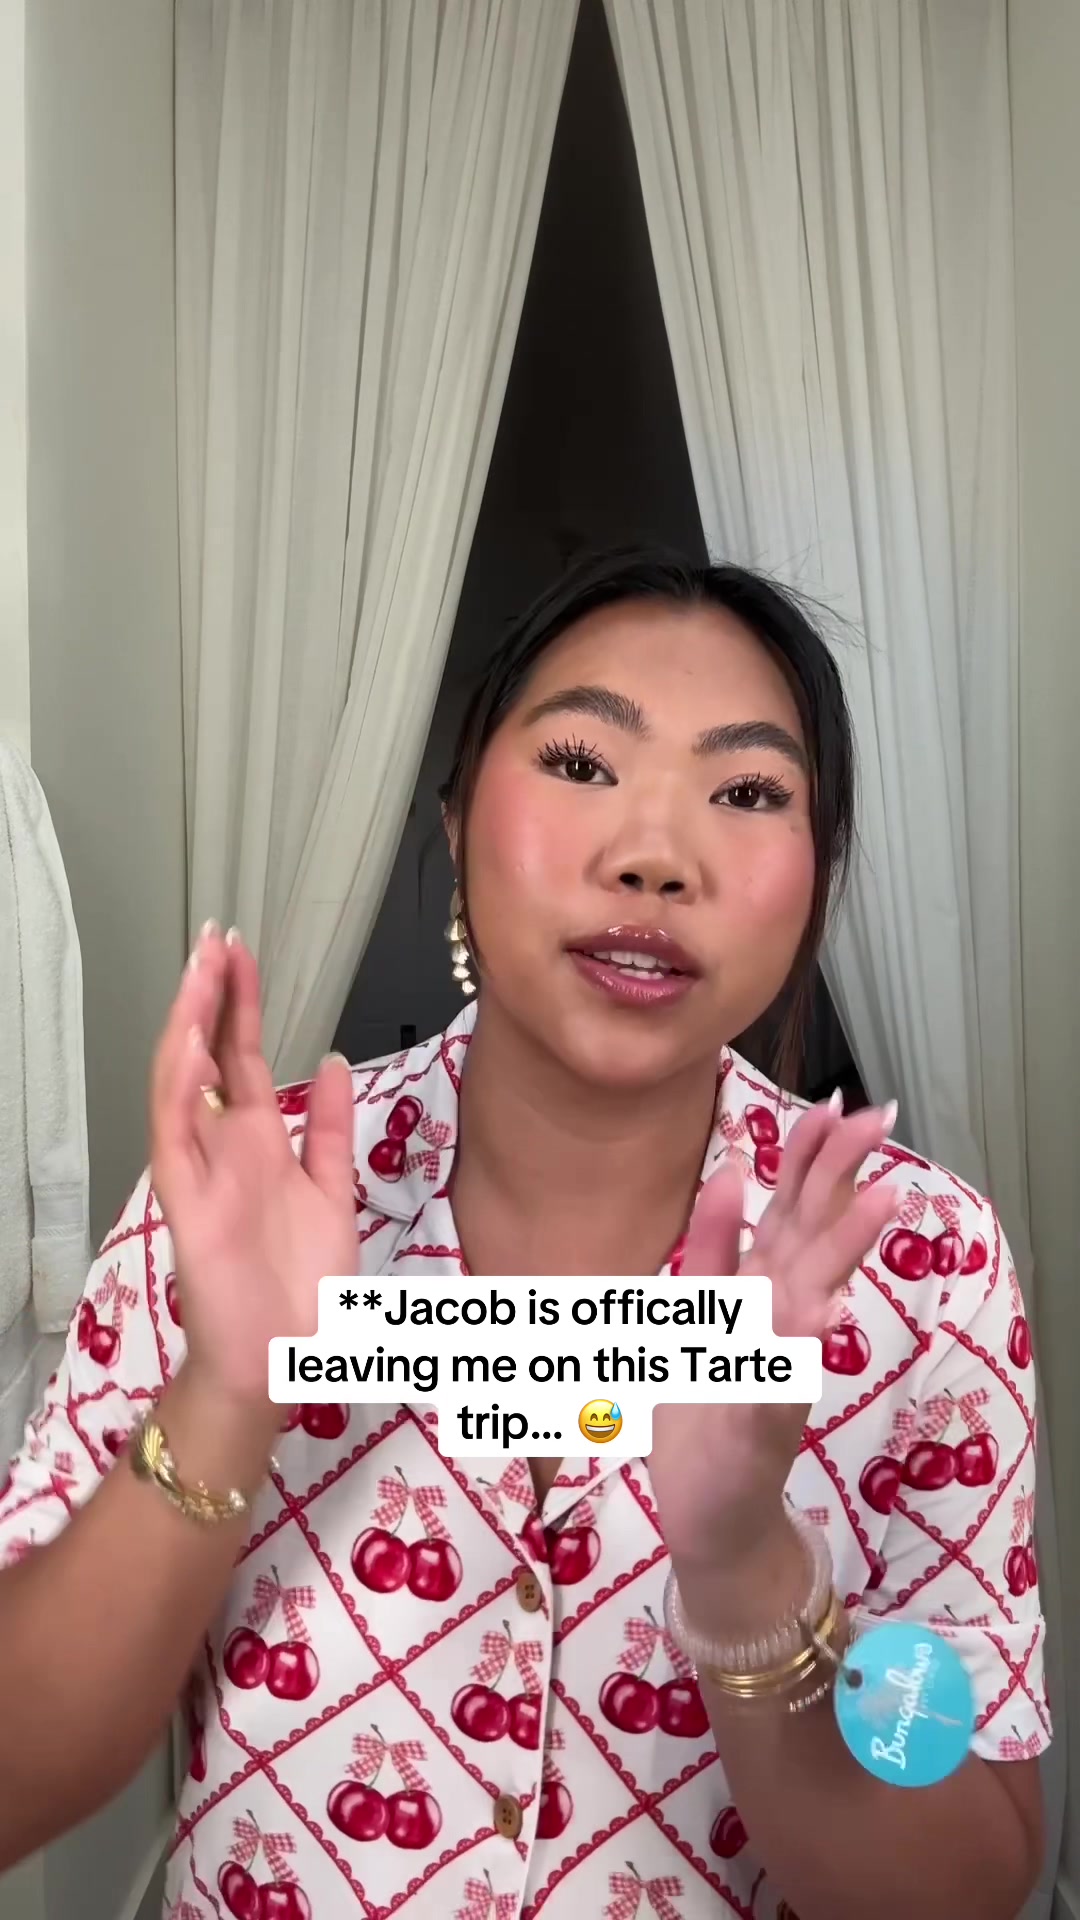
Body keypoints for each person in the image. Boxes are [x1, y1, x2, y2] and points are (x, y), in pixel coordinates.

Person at [0, 551, 1048, 1920]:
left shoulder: (917, 1259)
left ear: (819, 876)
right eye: (580, 763)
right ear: (455, 817)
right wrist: (227, 1391)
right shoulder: (248, 1196)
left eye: (748, 792)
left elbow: (965, 1884)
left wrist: (748, 1569)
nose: (654, 855)